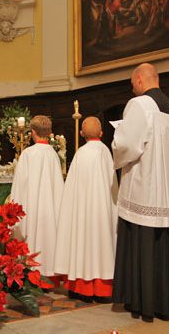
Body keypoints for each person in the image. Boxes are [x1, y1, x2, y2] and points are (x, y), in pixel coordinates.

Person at [111, 63, 169, 322]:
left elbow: (127, 144)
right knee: (166, 245)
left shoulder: (139, 105)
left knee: (142, 242)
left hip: (145, 189)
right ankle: (167, 303)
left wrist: (116, 143)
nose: (132, 87)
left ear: (139, 79)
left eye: (132, 82)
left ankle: (142, 302)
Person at [53, 116, 118, 303]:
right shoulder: (106, 152)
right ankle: (103, 290)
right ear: (102, 133)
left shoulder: (80, 154)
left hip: (81, 214)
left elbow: (71, 191)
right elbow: (112, 186)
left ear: (81, 134)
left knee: (81, 242)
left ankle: (80, 288)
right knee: (101, 242)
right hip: (101, 213)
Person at [10, 115, 64, 279]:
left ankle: (33, 276)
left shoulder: (28, 154)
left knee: (33, 239)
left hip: (32, 208)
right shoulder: (53, 154)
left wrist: (15, 208)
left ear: (32, 132)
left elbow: (20, 184)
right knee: (50, 238)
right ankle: (50, 275)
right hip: (51, 208)